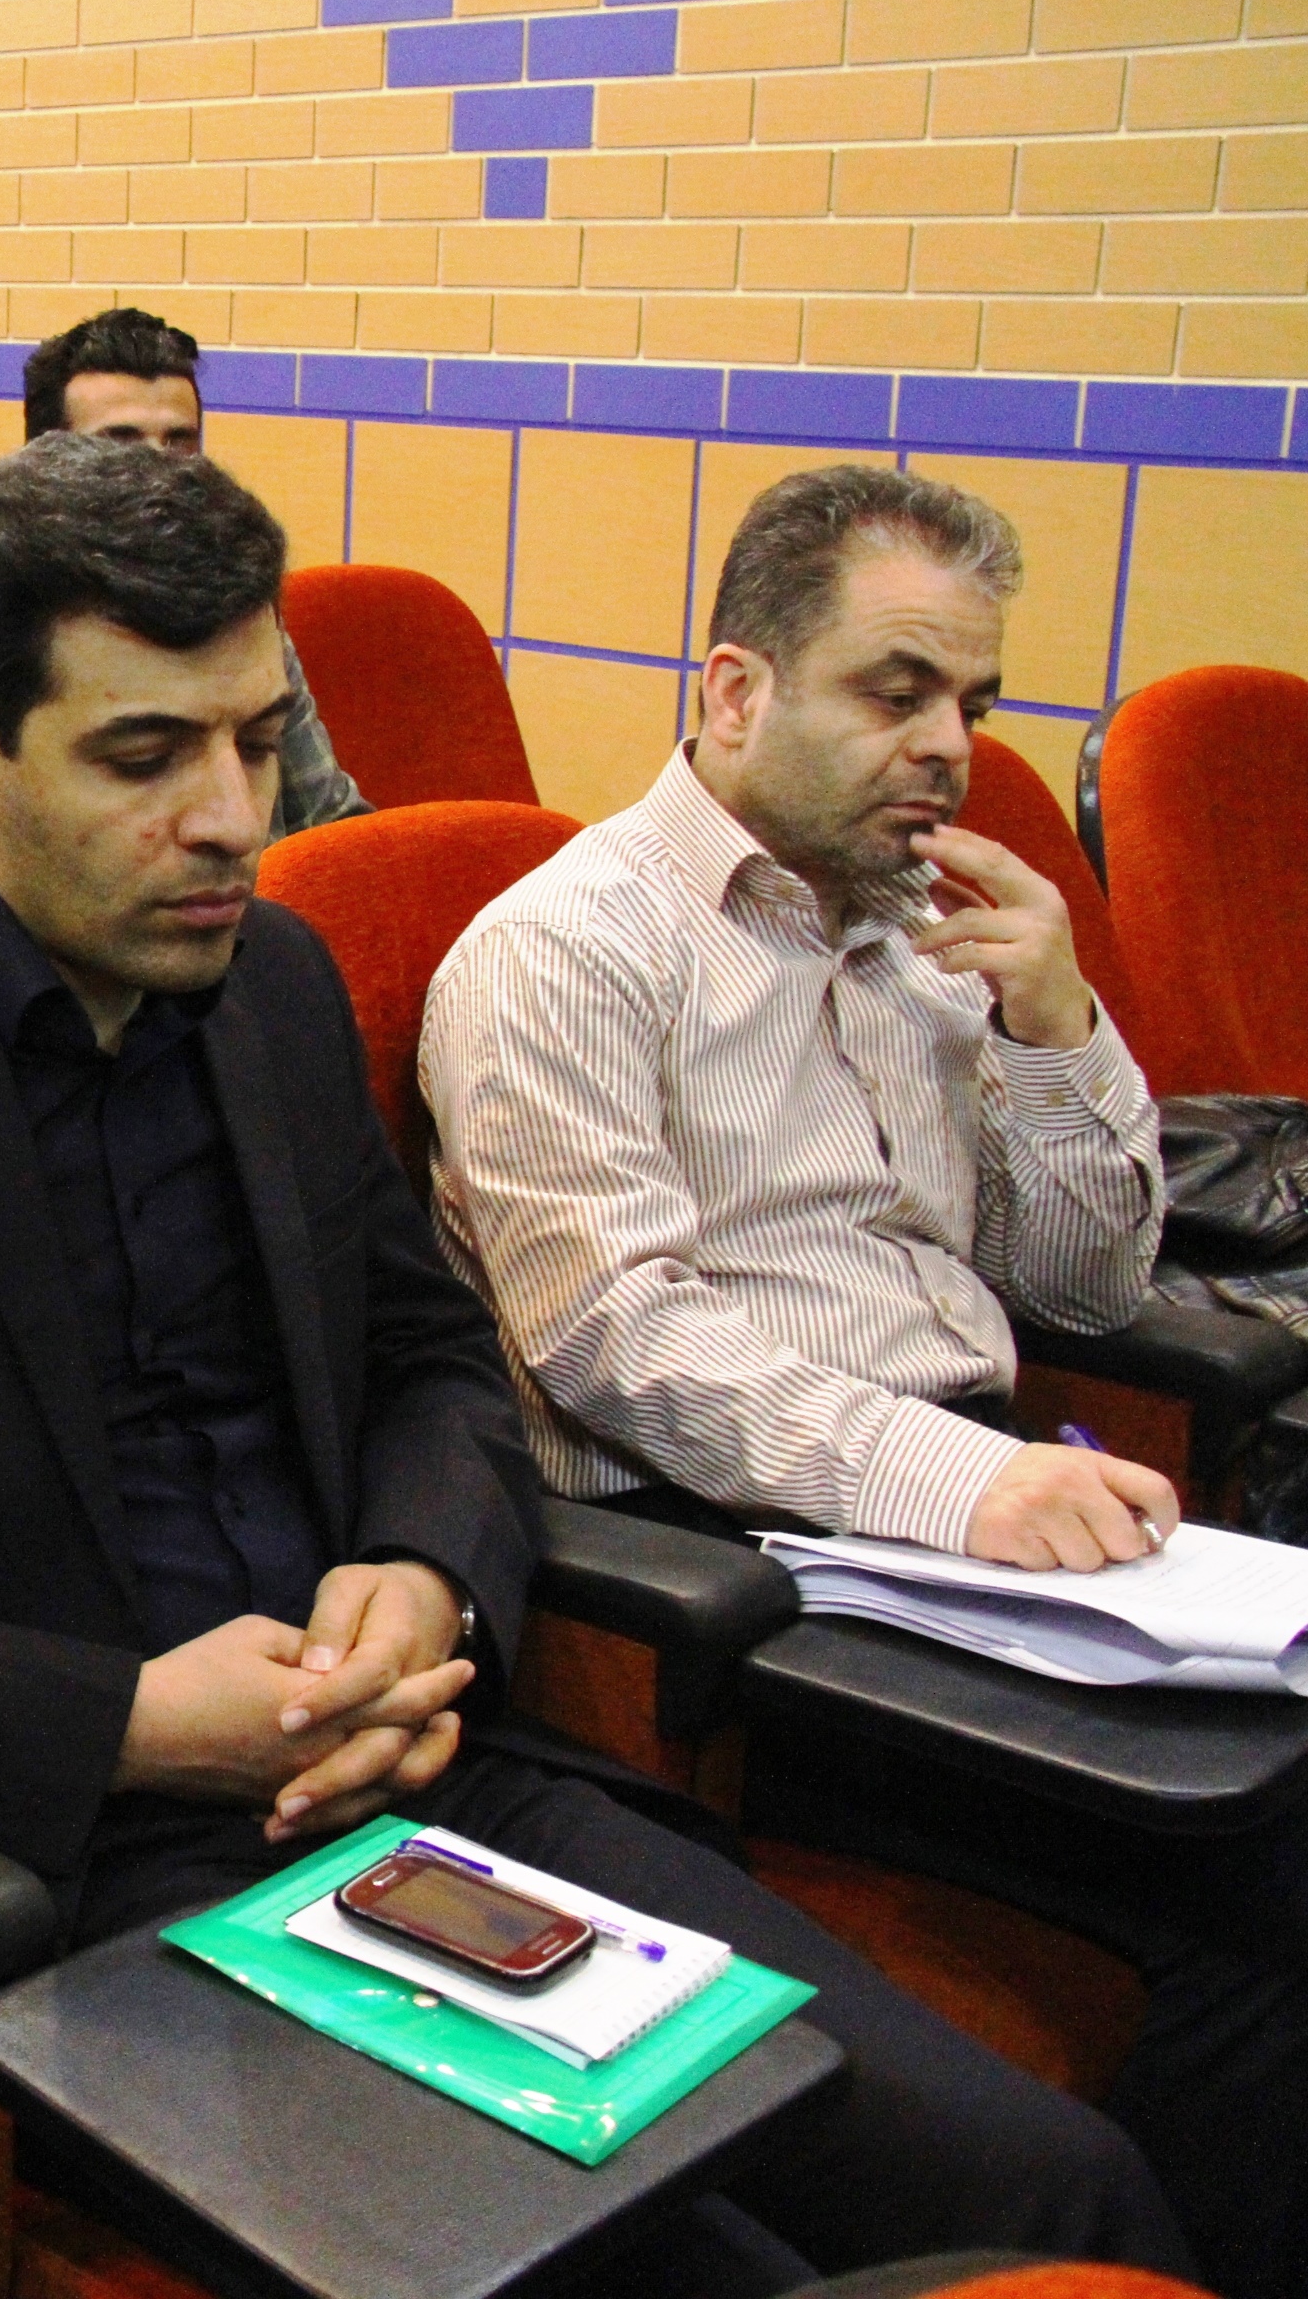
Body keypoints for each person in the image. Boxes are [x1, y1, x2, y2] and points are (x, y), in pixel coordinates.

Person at [0, 435, 1195, 2287]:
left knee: (1045, 2187)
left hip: (423, 1773)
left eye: (258, 741)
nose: (230, 817)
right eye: (143, 756)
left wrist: (425, 1575)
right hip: (75, 1871)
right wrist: (122, 1722)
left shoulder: (263, 985)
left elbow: (432, 1356)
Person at [423, 463, 1308, 2299]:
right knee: (1266, 1893)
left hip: (989, 1520)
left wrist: (1058, 1023)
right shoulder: (566, 950)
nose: (949, 750)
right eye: (895, 691)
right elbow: (618, 1339)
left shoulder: (915, 935)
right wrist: (963, 1483)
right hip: (760, 1571)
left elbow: (1086, 1280)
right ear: (737, 689)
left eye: (972, 702)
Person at [0, 307, 362, 882]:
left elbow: (336, 833)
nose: (158, 472)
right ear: (43, 464)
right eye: (118, 447)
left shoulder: (244, 633)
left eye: (179, 444)